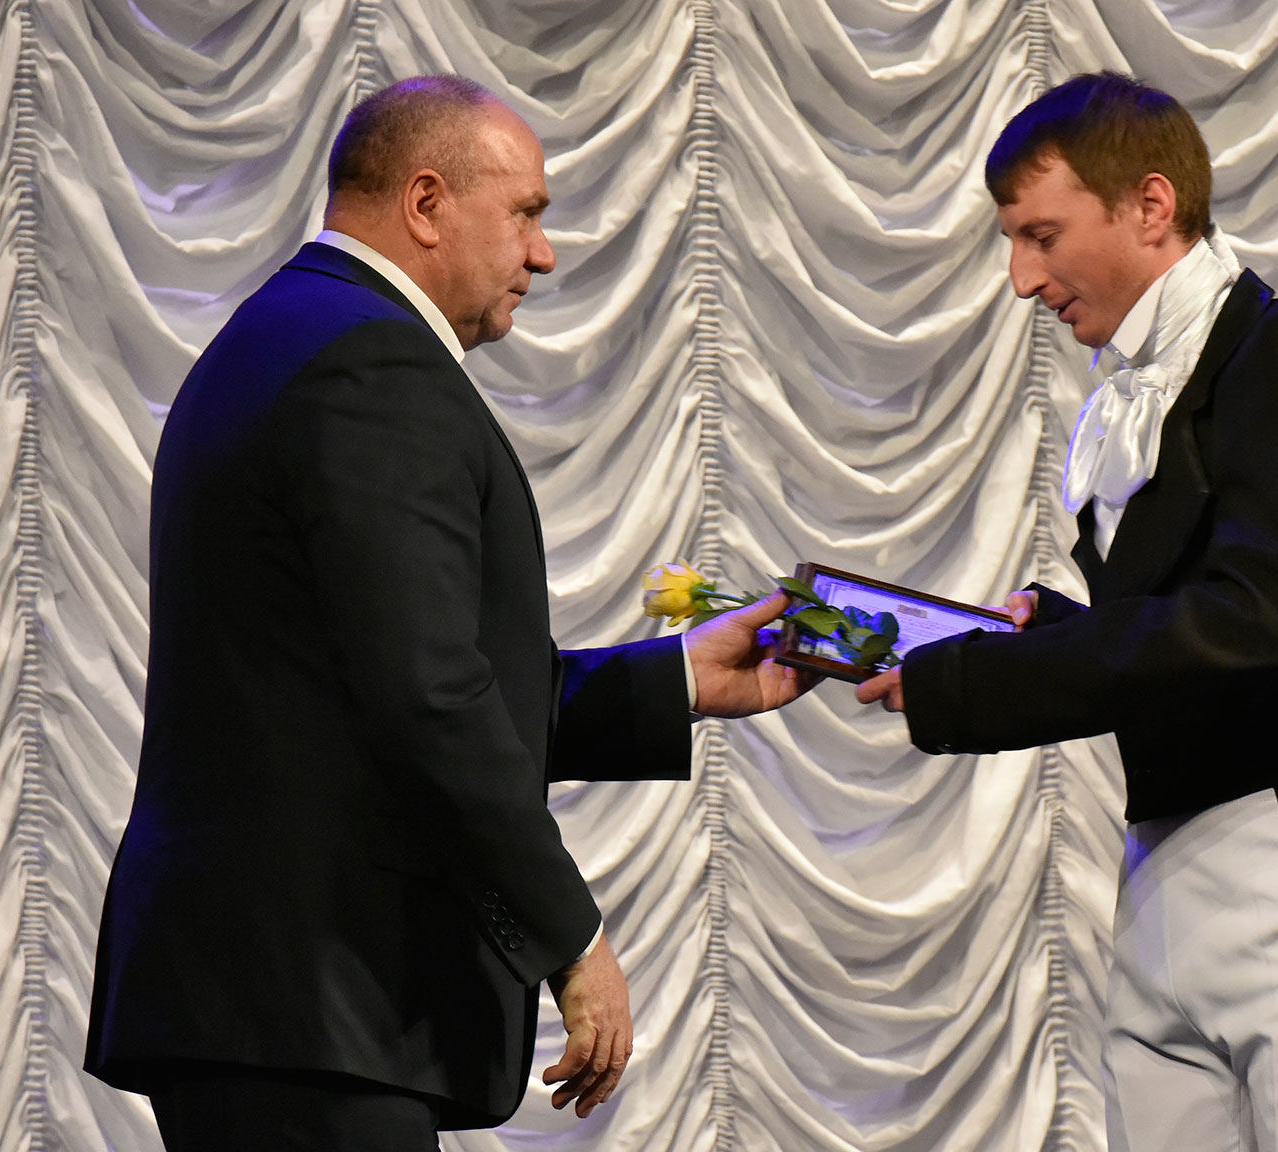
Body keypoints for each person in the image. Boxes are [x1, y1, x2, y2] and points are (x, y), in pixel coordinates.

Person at [84, 75, 810, 1151]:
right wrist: (573, 941)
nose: (544, 254)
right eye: (525, 213)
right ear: (426, 204)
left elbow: (379, 681)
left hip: (273, 1006)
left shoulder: (292, 333)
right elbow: (428, 698)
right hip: (313, 1001)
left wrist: (681, 677)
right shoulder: (372, 363)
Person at [857, 74, 1278, 1151]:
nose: (1021, 279)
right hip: (1160, 874)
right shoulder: (1132, 399)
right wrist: (1044, 636)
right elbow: (1183, 624)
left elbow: (1253, 619)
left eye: (1042, 236)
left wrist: (986, 681)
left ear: (1151, 206)